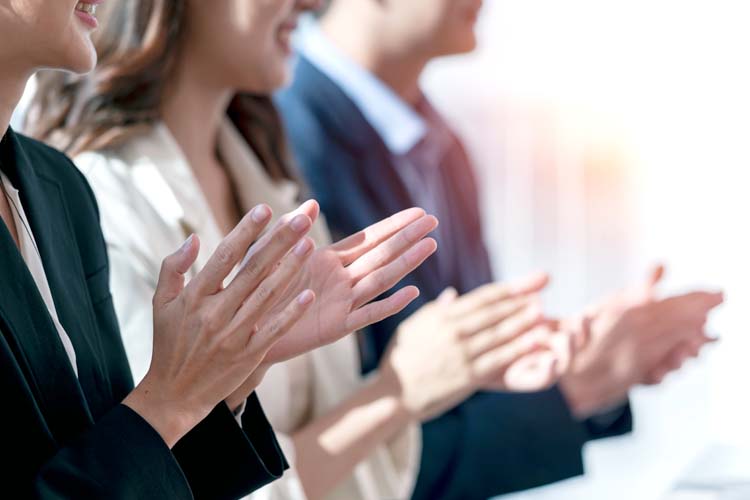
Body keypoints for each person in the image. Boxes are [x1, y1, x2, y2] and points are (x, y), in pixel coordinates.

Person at [26, 1, 575, 499]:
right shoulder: (98, 198)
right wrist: (397, 392)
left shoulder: (270, 178)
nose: (313, 4)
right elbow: (159, 479)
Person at [276, 1, 725, 498]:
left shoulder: (443, 148)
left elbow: (463, 380)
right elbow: (350, 450)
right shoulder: (282, 141)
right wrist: (574, 390)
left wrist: (573, 355)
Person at [0, 0, 362, 497]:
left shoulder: (60, 190)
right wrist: (170, 399)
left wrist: (220, 378)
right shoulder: (98, 184)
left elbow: (115, 465)